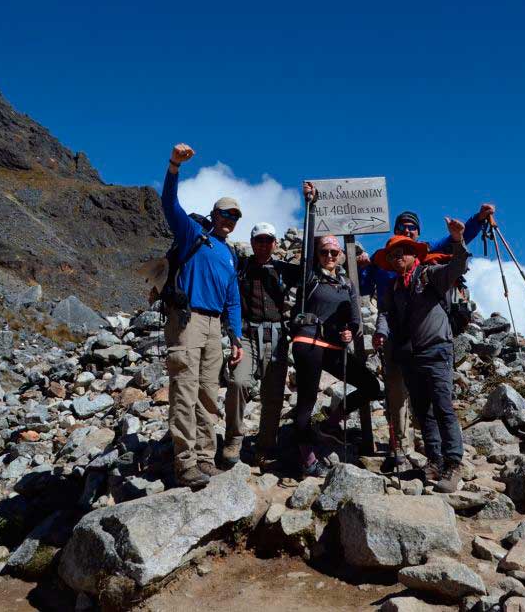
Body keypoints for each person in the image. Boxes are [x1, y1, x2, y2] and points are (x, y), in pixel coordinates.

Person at [357, 204, 494, 473]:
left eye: (412, 228)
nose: (407, 232)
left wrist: (476, 220)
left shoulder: (429, 266)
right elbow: (368, 292)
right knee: (409, 401)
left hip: (432, 344)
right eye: (402, 228)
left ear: (417, 236)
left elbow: (458, 252)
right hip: (401, 344)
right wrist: (362, 265)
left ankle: (451, 462)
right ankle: (407, 452)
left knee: (440, 405)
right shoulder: (387, 271)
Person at [161, 143, 244, 490]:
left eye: (235, 217)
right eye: (225, 214)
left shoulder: (229, 255)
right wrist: (174, 166)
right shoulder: (195, 234)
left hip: (214, 328)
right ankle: (184, 463)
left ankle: (206, 458)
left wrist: (236, 336)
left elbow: (233, 299)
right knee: (184, 389)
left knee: (209, 394)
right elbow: (169, 204)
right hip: (187, 320)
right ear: (214, 215)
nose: (229, 220)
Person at [372, 216, 470, 493]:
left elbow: (457, 266)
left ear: (413, 253)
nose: (395, 258)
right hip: (411, 355)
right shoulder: (394, 287)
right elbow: (386, 314)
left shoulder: (431, 274)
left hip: (437, 349)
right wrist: (380, 332)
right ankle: (434, 460)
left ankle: (453, 463)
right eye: (391, 255)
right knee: (422, 411)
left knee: (442, 407)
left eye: (399, 253)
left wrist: (458, 240)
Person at [291, 185, 383, 477]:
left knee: (371, 386)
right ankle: (306, 459)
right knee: (305, 401)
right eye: (325, 252)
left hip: (333, 347)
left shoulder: (347, 284)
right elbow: (308, 244)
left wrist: (350, 333)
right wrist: (311, 206)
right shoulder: (310, 277)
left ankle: (331, 424)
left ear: (341, 256)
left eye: (334, 252)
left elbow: (355, 320)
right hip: (308, 343)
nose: (329, 255)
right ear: (318, 255)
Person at [222, 220, 302, 470]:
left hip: (277, 335)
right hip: (246, 334)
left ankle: (265, 447)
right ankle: (234, 439)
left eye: (269, 240)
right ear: (252, 242)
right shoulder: (242, 267)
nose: (264, 244)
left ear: (276, 243)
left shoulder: (283, 269)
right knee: (238, 381)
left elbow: (311, 269)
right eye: (259, 240)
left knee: (274, 394)